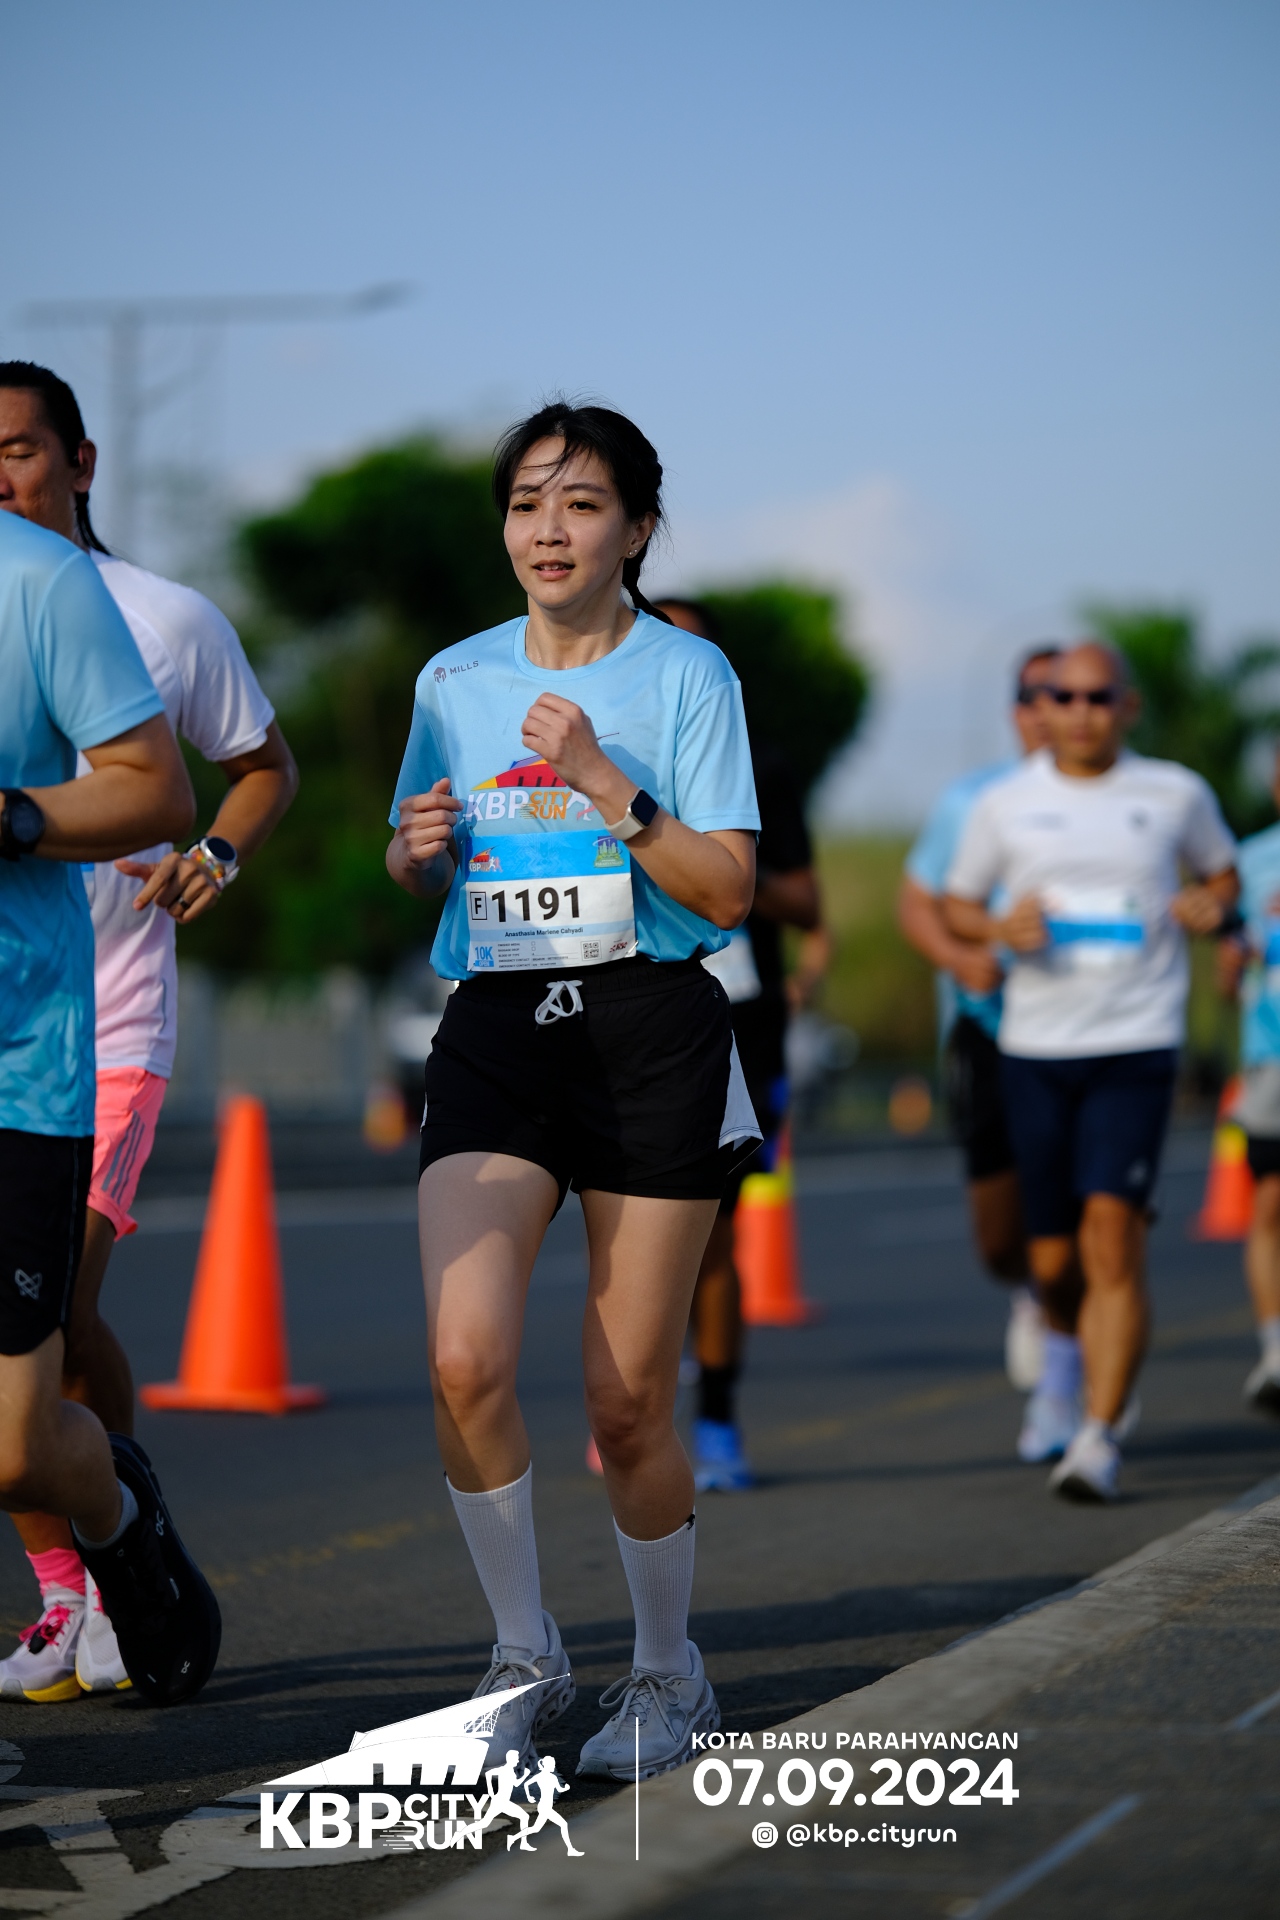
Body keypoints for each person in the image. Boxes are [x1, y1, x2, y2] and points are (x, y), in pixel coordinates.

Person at [387, 401, 760, 1782]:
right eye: (526, 501)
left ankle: (667, 1673)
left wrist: (609, 784)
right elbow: (414, 861)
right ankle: (521, 1655)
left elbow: (725, 892)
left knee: (625, 1400)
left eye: (583, 502)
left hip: (648, 1030)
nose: (549, 529)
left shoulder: (686, 676)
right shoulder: (453, 678)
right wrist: (414, 848)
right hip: (498, 1028)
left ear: (638, 529)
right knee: (464, 1358)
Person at [0, 362, 298, 1701]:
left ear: (80, 462)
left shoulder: (164, 619)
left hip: (99, 1026)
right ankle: (66, 1597)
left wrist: (216, 857)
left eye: (19, 449)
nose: (0, 476)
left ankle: (123, 1558)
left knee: (62, 1309)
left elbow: (261, 768)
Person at [0, 503, 220, 1705]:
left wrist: (12, 817)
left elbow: (173, 787)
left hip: (43, 1047)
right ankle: (64, 1594)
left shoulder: (52, 585)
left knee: (21, 1425)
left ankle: (116, 1518)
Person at [944, 642, 1238, 1501]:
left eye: (1097, 696)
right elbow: (958, 903)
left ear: (1127, 706)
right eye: (1060, 696)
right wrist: (999, 928)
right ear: (1041, 706)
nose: (1079, 712)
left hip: (1136, 1042)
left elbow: (1221, 874)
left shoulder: (1174, 792)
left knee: (1113, 1234)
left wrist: (1209, 902)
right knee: (1053, 1257)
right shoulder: (1004, 803)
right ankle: (1070, 1363)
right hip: (1035, 1049)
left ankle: (1099, 1437)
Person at [899, 647, 1083, 1463]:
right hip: (991, 1029)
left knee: (1093, 1214)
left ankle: (1077, 1384)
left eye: (1072, 694)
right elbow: (918, 904)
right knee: (1003, 1235)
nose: (1053, 711)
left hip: (1093, 1030)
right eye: (1037, 695)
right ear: (1017, 711)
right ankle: (1030, 1294)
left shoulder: (1133, 799)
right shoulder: (972, 800)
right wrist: (957, 955)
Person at [656, 596, 820, 1493]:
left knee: (713, 1235)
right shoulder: (588, 758)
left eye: (692, 652)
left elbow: (805, 902)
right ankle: (637, 1405)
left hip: (734, 1021)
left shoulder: (757, 762)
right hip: (623, 1009)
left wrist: (722, 870)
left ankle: (716, 1420)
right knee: (624, 1234)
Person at [1215, 748, 1280, 1415]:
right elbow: (1227, 970)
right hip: (1271, 1057)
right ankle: (1275, 1350)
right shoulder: (1250, 861)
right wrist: (1232, 965)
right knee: (1270, 1201)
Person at [522, 1754, 584, 1855]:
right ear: (547, 1765)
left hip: (546, 1806)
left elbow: (559, 1789)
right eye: (552, 1764)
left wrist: (566, 1788)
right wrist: (529, 1796)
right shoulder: (540, 1776)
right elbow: (526, 1784)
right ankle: (570, 1850)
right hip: (544, 1807)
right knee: (563, 1824)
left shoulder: (553, 1777)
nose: (553, 1766)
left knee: (536, 1828)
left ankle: (513, 1838)